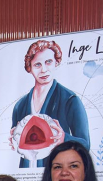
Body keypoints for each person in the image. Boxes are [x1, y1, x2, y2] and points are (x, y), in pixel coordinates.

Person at [10, 40, 90, 168]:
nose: (43, 70)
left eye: (48, 62)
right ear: (29, 68)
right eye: (37, 64)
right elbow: (19, 142)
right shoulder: (20, 105)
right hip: (26, 176)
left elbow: (85, 144)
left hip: (55, 177)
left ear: (56, 63)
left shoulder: (70, 100)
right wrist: (14, 139)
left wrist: (64, 138)